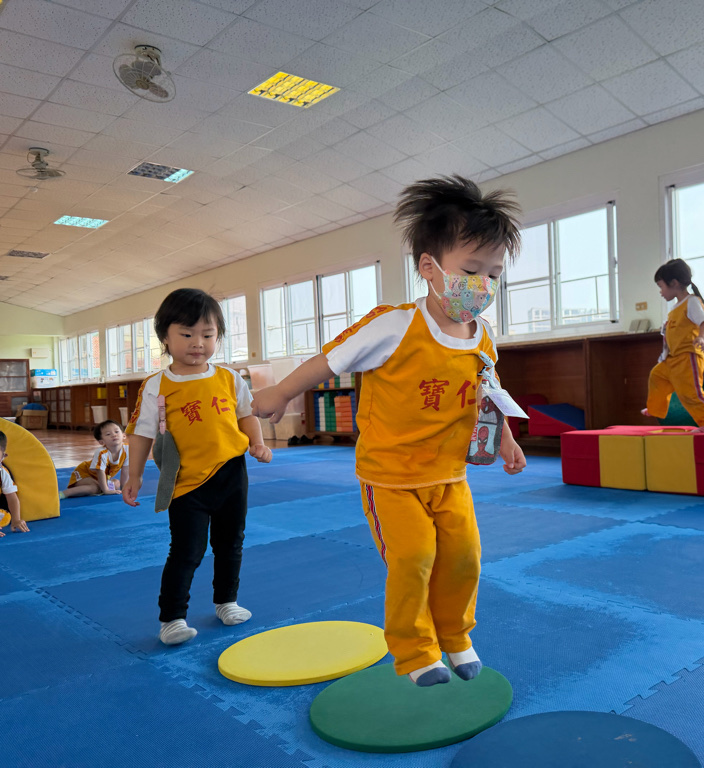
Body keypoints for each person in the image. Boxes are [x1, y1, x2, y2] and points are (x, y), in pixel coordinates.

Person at [253, 175, 526, 687]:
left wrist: (505, 437)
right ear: (429, 267)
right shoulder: (394, 325)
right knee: (414, 557)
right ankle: (415, 650)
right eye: (471, 270)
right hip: (392, 476)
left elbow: (487, 390)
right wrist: (281, 392)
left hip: (449, 474)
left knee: (464, 557)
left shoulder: (483, 336)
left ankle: (455, 635)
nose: (483, 284)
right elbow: (330, 360)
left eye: (494, 274)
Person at [122, 288, 273, 646]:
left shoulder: (229, 378)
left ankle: (226, 601)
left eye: (207, 335)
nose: (198, 343)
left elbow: (246, 414)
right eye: (187, 334)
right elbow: (141, 433)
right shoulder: (157, 385)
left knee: (230, 543)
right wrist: (134, 474)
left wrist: (258, 442)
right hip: (186, 482)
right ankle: (172, 618)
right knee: (187, 550)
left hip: (231, 473)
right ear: (165, 336)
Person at [642, 259, 704, 429]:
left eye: (661, 286)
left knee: (690, 393)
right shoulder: (675, 308)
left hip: (687, 357)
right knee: (657, 376)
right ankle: (656, 408)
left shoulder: (692, 302)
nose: (660, 292)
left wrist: (701, 338)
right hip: (672, 358)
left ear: (674, 283)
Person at [61, 420, 128, 498]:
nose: (114, 435)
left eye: (116, 432)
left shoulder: (127, 450)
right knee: (94, 488)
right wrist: (106, 490)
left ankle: (99, 488)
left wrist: (124, 489)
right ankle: (64, 493)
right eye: (108, 434)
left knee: (116, 483)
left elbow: (125, 471)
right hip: (84, 473)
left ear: (124, 435)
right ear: (102, 442)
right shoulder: (101, 452)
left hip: (99, 478)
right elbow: (100, 472)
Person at [0, 431, 29, 535]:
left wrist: (16, 519)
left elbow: (11, 497)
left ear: (3, 456)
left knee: (4, 517)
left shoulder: (3, 472)